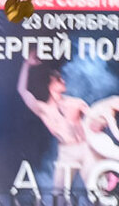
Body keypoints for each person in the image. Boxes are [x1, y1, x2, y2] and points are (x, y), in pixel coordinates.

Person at [18, 53, 92, 196]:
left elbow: (94, 118)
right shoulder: (44, 109)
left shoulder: (74, 102)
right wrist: (26, 65)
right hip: (67, 152)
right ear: (50, 85)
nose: (63, 81)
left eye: (62, 78)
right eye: (58, 79)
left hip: (85, 148)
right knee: (58, 194)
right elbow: (22, 91)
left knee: (96, 188)